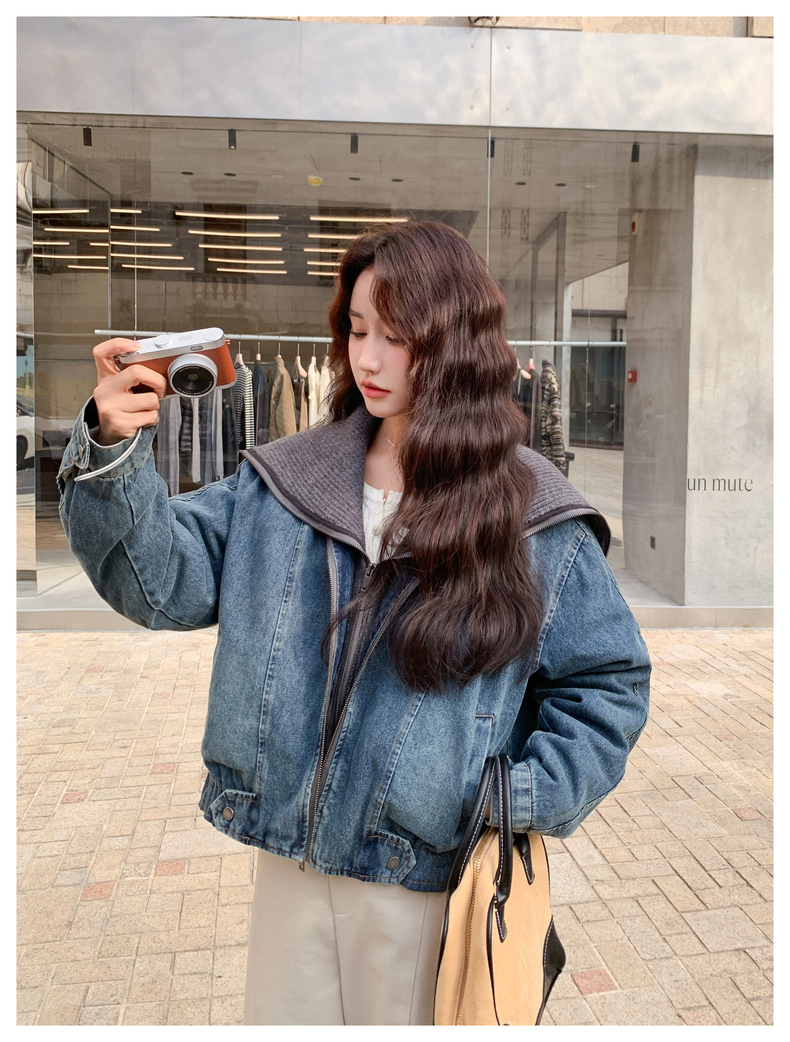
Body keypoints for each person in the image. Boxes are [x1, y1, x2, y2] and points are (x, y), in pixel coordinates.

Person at [57, 220, 651, 1026]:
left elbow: (608, 682)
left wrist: (513, 797)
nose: (367, 359)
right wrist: (111, 446)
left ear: (455, 343)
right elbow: (159, 586)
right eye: (358, 329)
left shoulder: (532, 515)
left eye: (396, 337)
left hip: (426, 883)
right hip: (291, 869)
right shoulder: (286, 480)